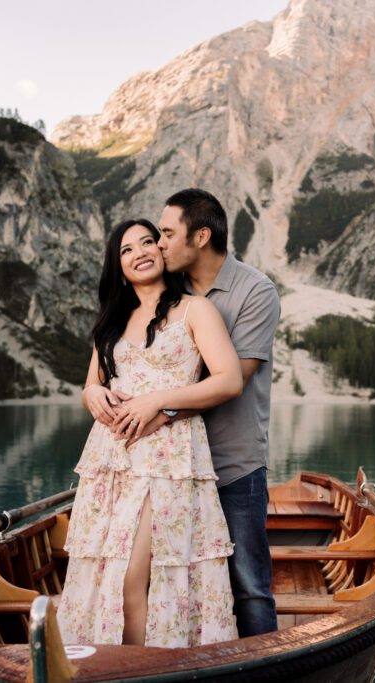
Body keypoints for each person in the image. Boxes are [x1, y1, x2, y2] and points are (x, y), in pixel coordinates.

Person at [57, 218, 242, 648]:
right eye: (126, 250)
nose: (139, 252)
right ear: (117, 266)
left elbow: (229, 380)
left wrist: (158, 400)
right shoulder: (112, 320)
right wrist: (92, 397)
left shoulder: (195, 309)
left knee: (133, 577)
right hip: (111, 458)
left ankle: (146, 669)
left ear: (162, 251)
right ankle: (111, 664)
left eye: (147, 242)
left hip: (167, 459)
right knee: (106, 571)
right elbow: (91, 384)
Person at [119, 188, 280, 637]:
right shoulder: (170, 292)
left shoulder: (255, 291)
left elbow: (234, 378)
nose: (158, 244)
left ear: (201, 236)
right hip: (171, 470)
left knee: (248, 584)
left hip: (232, 463)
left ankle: (261, 668)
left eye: (167, 234)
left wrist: (156, 405)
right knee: (178, 581)